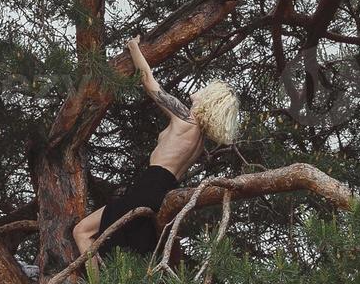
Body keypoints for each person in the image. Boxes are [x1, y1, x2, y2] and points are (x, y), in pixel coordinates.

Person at [71, 36, 239, 268]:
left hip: (148, 187)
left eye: (205, 90)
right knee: (130, 258)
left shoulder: (186, 119)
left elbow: (149, 82)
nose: (200, 90)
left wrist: (133, 48)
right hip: (164, 196)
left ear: (210, 100)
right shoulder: (200, 142)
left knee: (82, 232)